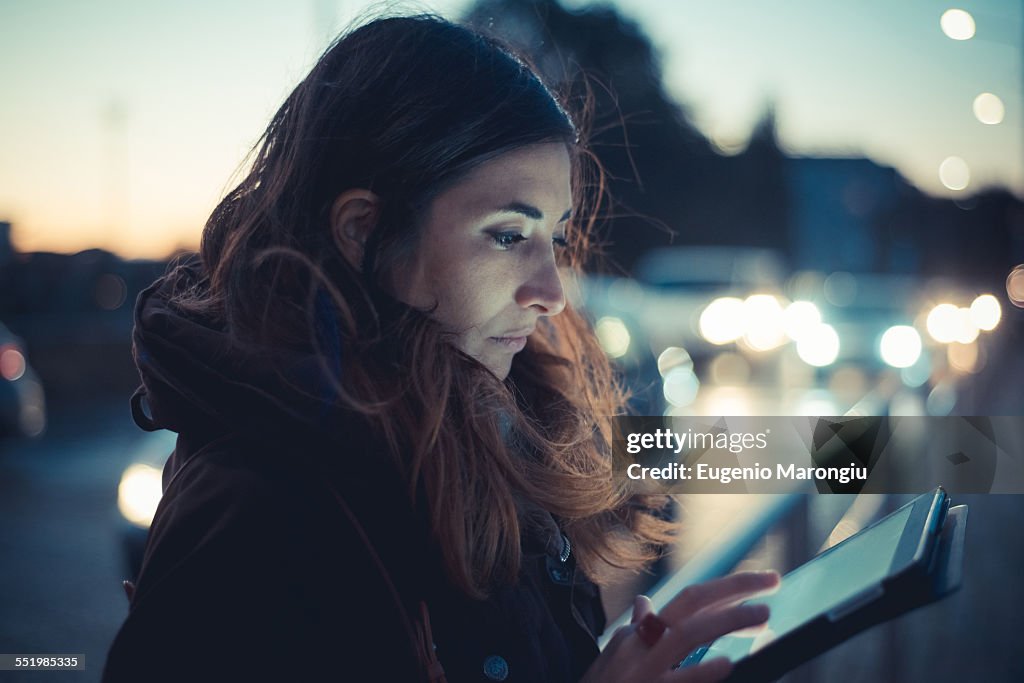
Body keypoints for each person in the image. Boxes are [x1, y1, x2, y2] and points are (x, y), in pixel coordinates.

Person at [102, 14, 778, 683]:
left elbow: (718, 450)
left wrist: (873, 459)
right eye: (509, 235)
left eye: (557, 238)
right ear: (364, 231)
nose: (551, 293)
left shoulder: (498, 413)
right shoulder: (254, 503)